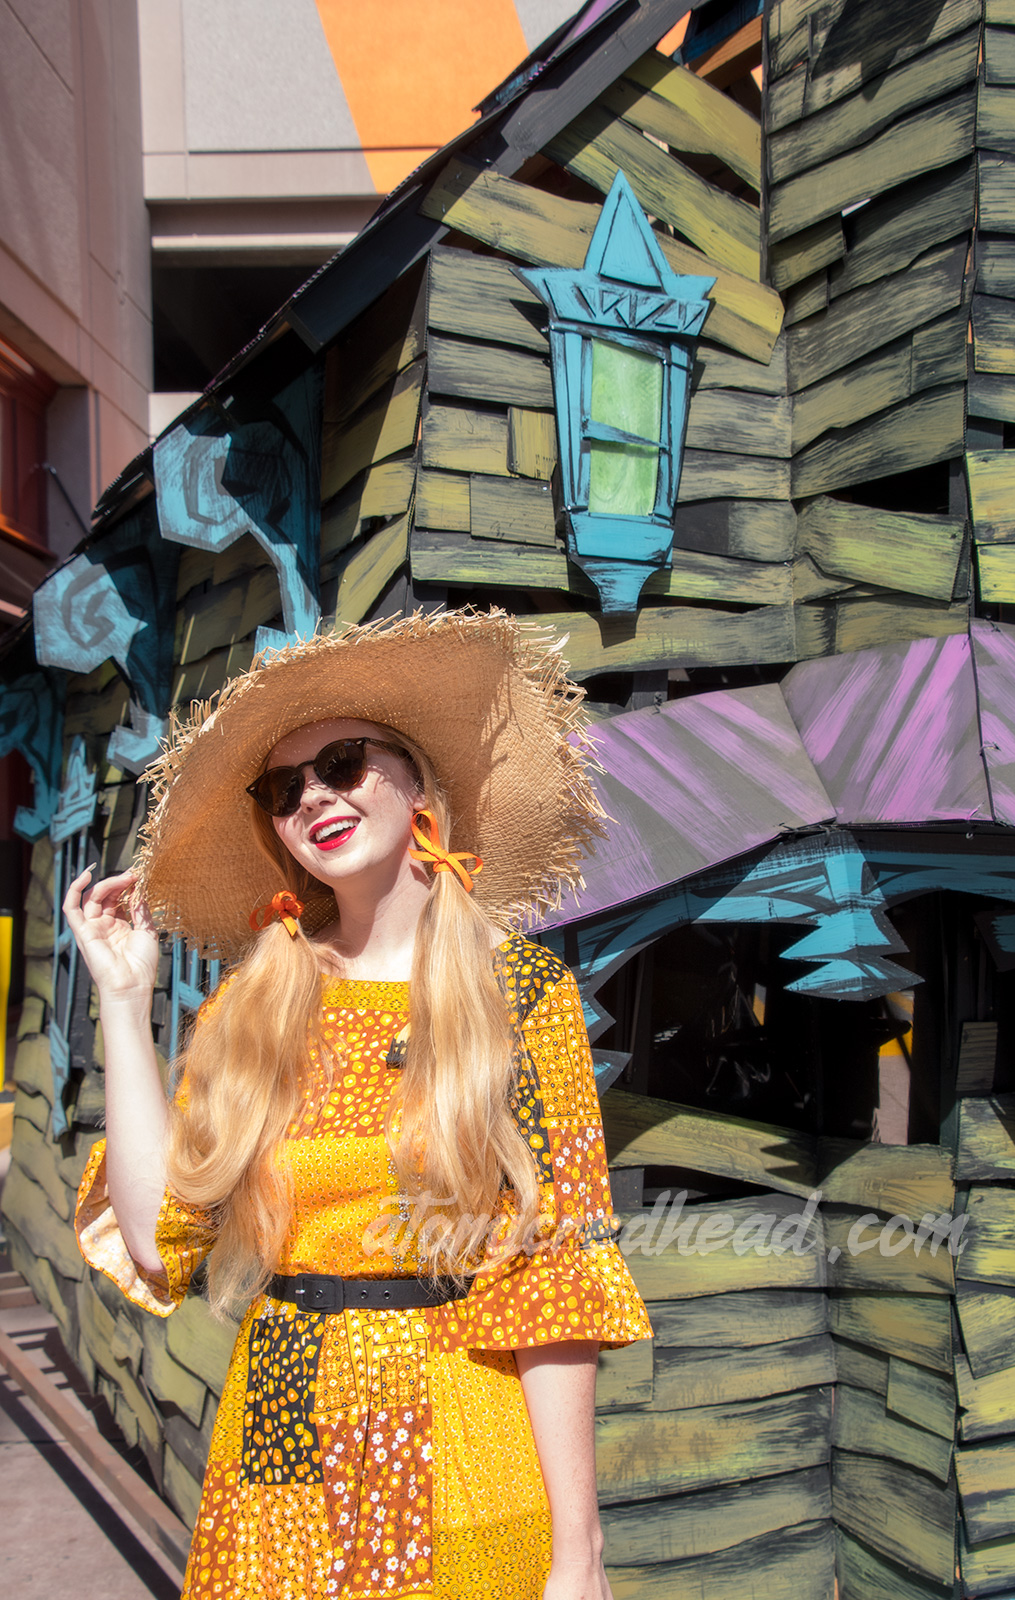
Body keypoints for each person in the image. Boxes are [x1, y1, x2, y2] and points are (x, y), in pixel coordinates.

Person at [67, 609, 652, 1600]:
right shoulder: (258, 1004)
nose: (315, 797)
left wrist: (577, 1553)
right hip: (284, 1420)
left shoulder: (519, 996)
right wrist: (123, 1003)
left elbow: (553, 1286)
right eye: (284, 787)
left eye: (343, 762)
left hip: (469, 1425)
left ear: (416, 783)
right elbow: (158, 1238)